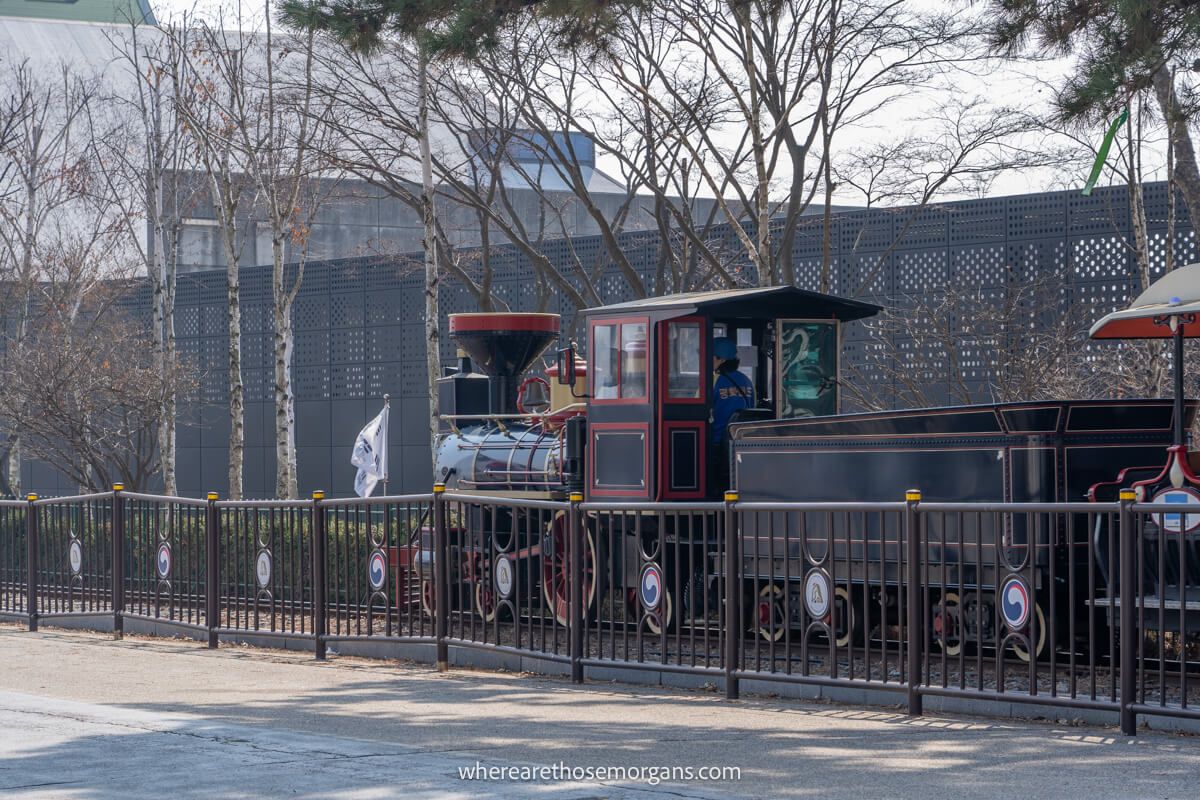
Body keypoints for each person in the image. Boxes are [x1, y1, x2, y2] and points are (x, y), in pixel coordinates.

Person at [710, 336, 754, 493]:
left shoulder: (712, 380)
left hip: (715, 442)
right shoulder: (747, 381)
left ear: (720, 359)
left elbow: (698, 407)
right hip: (739, 441)